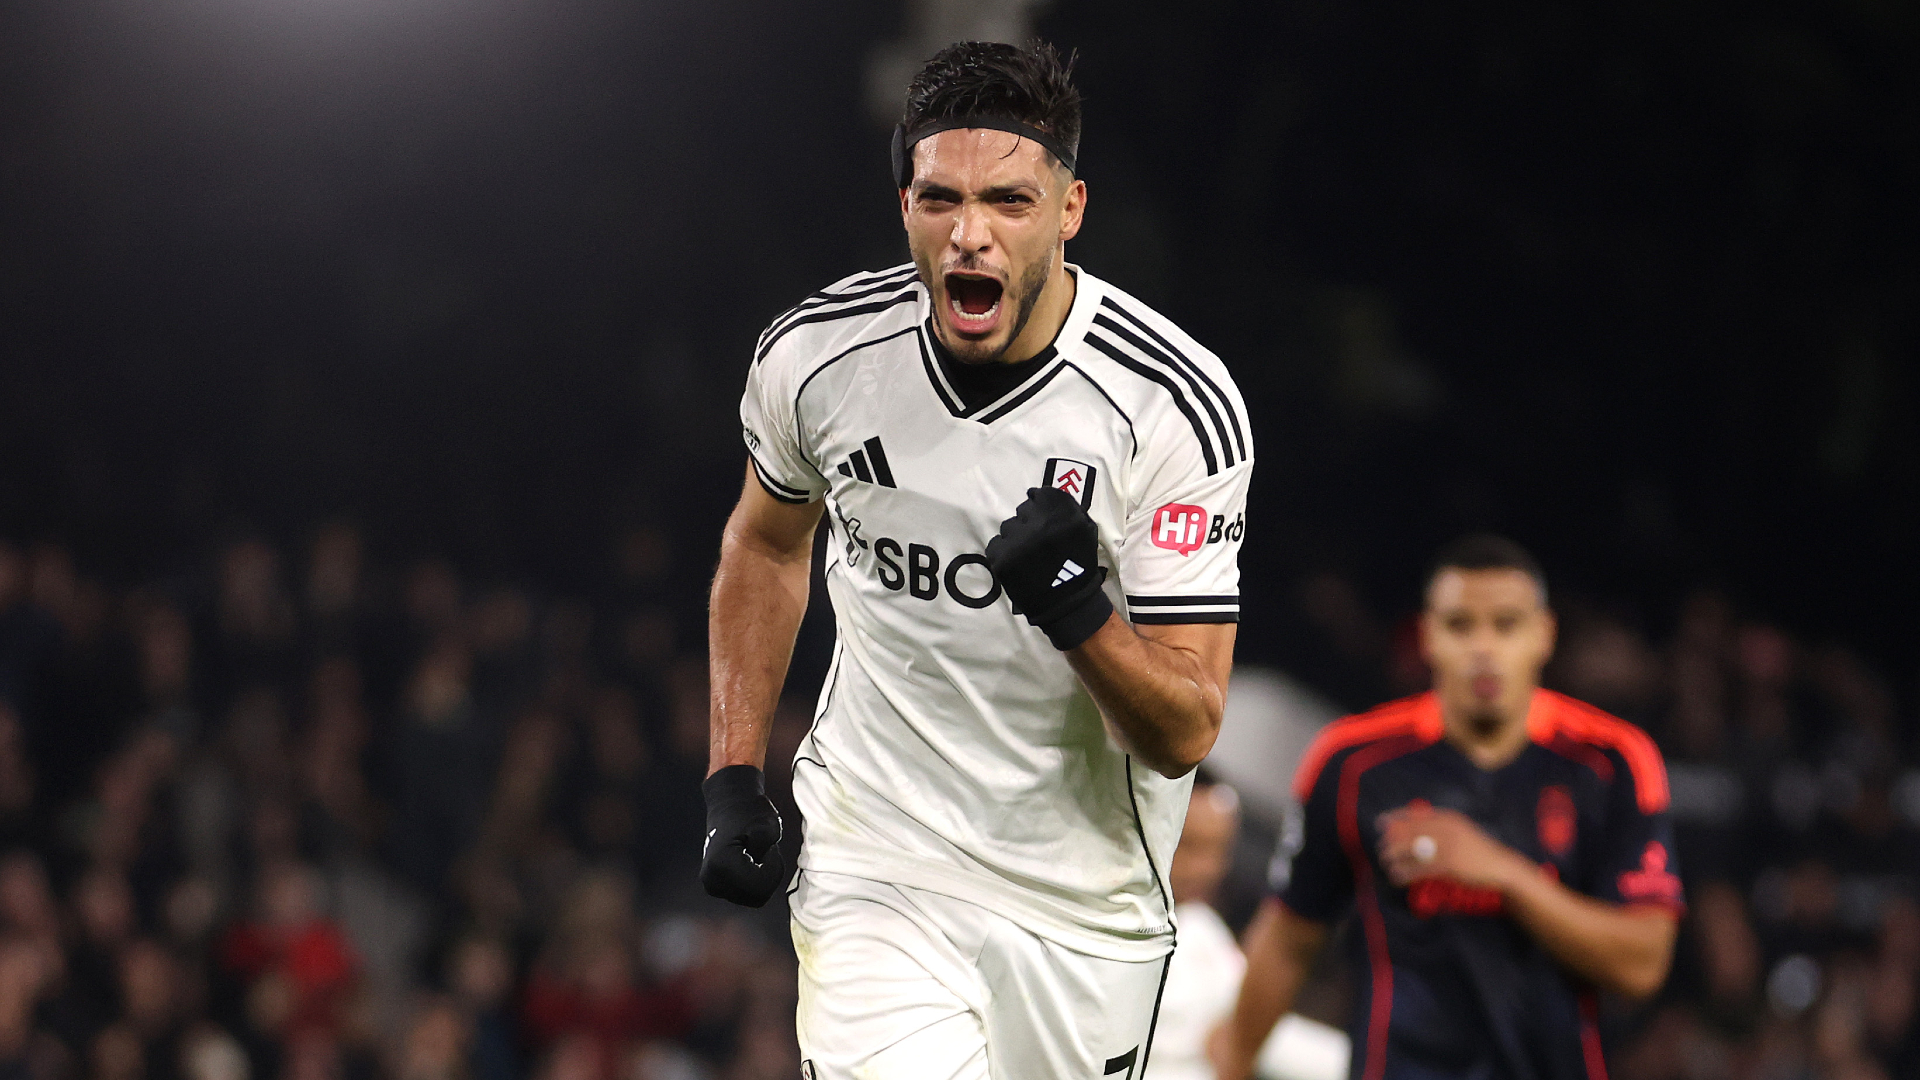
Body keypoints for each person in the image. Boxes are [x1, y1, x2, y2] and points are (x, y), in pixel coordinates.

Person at [700, 40, 1253, 1079]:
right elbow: (765, 542)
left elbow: (1185, 730)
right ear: (904, 205)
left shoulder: (1171, 406)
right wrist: (734, 774)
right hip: (878, 857)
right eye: (940, 199)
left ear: (1069, 209)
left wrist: (1076, 609)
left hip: (1083, 900)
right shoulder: (817, 360)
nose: (970, 234)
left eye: (1008, 200)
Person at [1212, 535, 1684, 1080]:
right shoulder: (1353, 763)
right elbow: (1289, 940)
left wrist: (1505, 875)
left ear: (1543, 635)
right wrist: (1234, 1059)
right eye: (1461, 625)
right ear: (1428, 636)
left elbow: (1642, 965)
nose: (1483, 648)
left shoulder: (1612, 762)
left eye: (1505, 625)